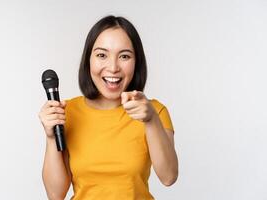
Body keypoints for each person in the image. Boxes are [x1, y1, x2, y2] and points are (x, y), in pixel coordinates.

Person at [38, 15, 178, 200]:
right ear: (89, 60)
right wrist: (50, 137)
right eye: (102, 55)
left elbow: (168, 177)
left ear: (136, 62)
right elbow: (55, 195)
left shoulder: (153, 111)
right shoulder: (67, 112)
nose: (113, 67)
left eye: (124, 56)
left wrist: (151, 120)